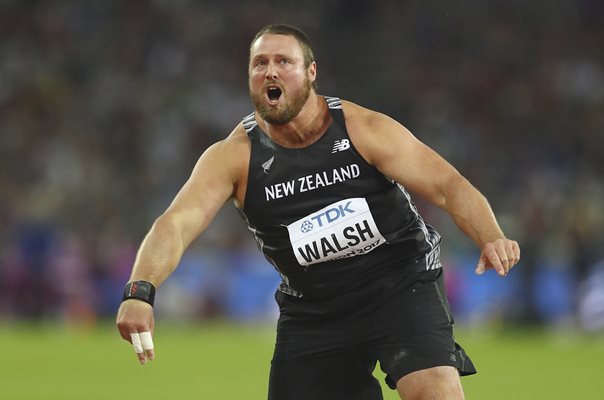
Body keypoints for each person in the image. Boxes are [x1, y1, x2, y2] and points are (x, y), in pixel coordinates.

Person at [116, 24, 521, 400]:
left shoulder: (363, 128)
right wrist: (140, 291)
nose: (270, 72)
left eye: (283, 62)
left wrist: (491, 234)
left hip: (399, 284)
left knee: (434, 391)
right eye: (260, 64)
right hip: (315, 309)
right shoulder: (233, 157)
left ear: (311, 72)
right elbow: (176, 223)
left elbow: (448, 186)